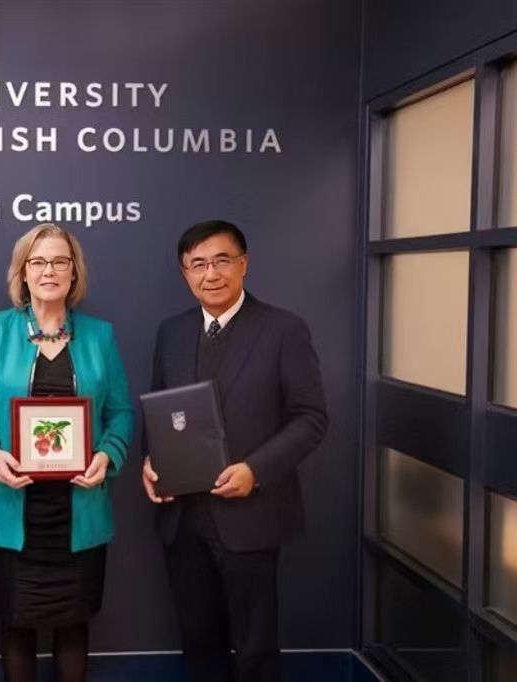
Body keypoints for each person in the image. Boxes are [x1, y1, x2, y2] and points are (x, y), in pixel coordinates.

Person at [142, 219, 327, 682]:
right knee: (198, 640)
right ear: (185, 273)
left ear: (244, 265)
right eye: (198, 264)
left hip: (251, 512)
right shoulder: (172, 332)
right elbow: (160, 411)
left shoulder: (283, 329)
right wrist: (150, 461)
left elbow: (311, 418)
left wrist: (255, 470)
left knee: (255, 646)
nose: (211, 274)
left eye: (222, 261)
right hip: (183, 516)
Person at [0, 223, 134, 682]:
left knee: (74, 624)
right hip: (10, 509)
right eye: (38, 262)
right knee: (16, 624)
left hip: (80, 511)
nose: (49, 270)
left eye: (59, 261)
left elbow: (121, 413)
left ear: (74, 272)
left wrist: (108, 456)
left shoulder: (100, 336)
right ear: (23, 272)